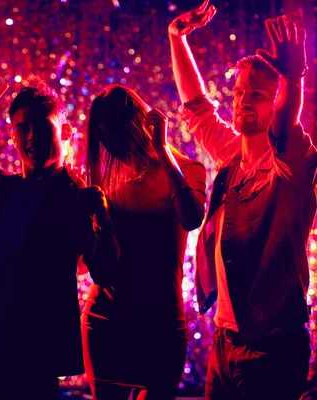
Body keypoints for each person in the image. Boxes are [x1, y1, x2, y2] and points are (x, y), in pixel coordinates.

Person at [0, 78, 119, 400]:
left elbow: (106, 273)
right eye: (22, 128)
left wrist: (103, 221)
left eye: (42, 127)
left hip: (29, 354)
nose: (32, 137)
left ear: (65, 133)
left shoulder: (78, 201)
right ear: (13, 136)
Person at [170, 2, 314, 398]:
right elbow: (197, 107)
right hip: (225, 341)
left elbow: (287, 123)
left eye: (257, 94)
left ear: (276, 100)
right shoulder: (232, 156)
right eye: (238, 91)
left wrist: (293, 80)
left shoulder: (292, 163)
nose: (241, 99)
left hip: (272, 347)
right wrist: (177, 37)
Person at [81, 85, 206, 400]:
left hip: (162, 323)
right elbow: (97, 270)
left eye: (117, 138)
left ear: (136, 125)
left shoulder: (187, 169)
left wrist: (162, 148)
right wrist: (102, 223)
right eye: (106, 142)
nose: (113, 150)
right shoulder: (104, 182)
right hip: (106, 320)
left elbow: (191, 217)